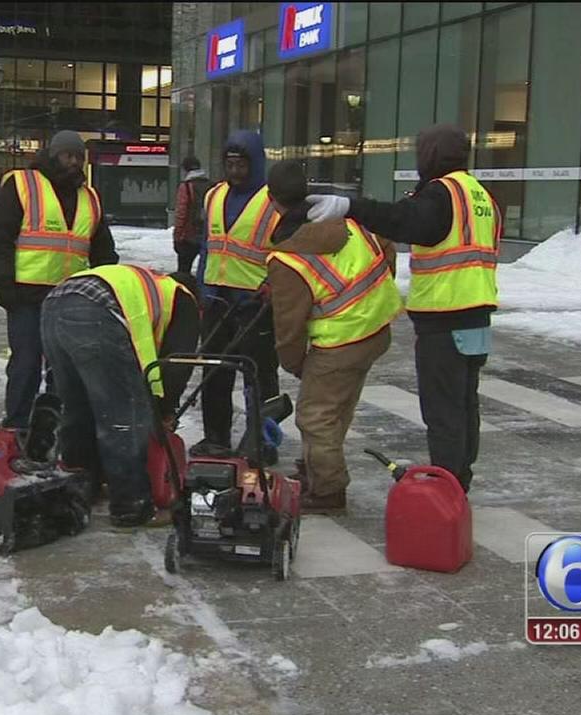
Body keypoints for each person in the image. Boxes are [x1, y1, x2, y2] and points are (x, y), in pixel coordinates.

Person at [306, 124, 499, 493]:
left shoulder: (442, 194)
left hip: (446, 319)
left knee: (443, 411)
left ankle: (447, 488)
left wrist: (351, 206)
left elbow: (404, 220)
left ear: (433, 155)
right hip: (476, 317)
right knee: (463, 406)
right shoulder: (478, 194)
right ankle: (459, 479)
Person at [264, 161, 402, 513]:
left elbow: (289, 327)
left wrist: (295, 364)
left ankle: (327, 490)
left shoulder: (288, 260)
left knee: (315, 415)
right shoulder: (350, 220)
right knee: (338, 407)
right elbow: (386, 246)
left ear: (271, 199)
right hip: (376, 329)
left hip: (339, 342)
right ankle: (318, 463)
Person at [41, 265, 200, 526]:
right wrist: (164, 411)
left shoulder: (143, 284)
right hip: (95, 312)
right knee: (123, 417)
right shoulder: (184, 299)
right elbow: (177, 365)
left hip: (54, 304)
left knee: (77, 409)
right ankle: (131, 506)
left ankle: (83, 487)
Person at [0, 130, 118, 434]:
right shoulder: (23, 185)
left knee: (65, 368)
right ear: (53, 155)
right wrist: (4, 285)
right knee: (26, 363)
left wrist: (108, 286)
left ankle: (56, 427)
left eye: (78, 158)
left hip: (72, 298)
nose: (73, 163)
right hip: (26, 295)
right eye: (67, 156)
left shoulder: (89, 197)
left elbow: (102, 250)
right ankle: (17, 424)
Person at [195, 129, 283, 453]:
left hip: (254, 302)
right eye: (229, 165)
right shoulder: (214, 195)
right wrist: (203, 287)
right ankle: (215, 436)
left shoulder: (273, 202)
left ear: (255, 164)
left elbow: (286, 251)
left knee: (258, 377)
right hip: (218, 299)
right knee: (214, 373)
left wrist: (273, 285)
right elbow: (208, 246)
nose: (234, 172)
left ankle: (263, 441)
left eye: (241, 166)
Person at [172, 156, 210, 276]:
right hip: (207, 234)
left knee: (183, 270)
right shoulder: (212, 185)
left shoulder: (186, 186)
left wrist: (177, 236)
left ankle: (185, 291)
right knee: (206, 271)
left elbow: (181, 213)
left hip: (189, 235)